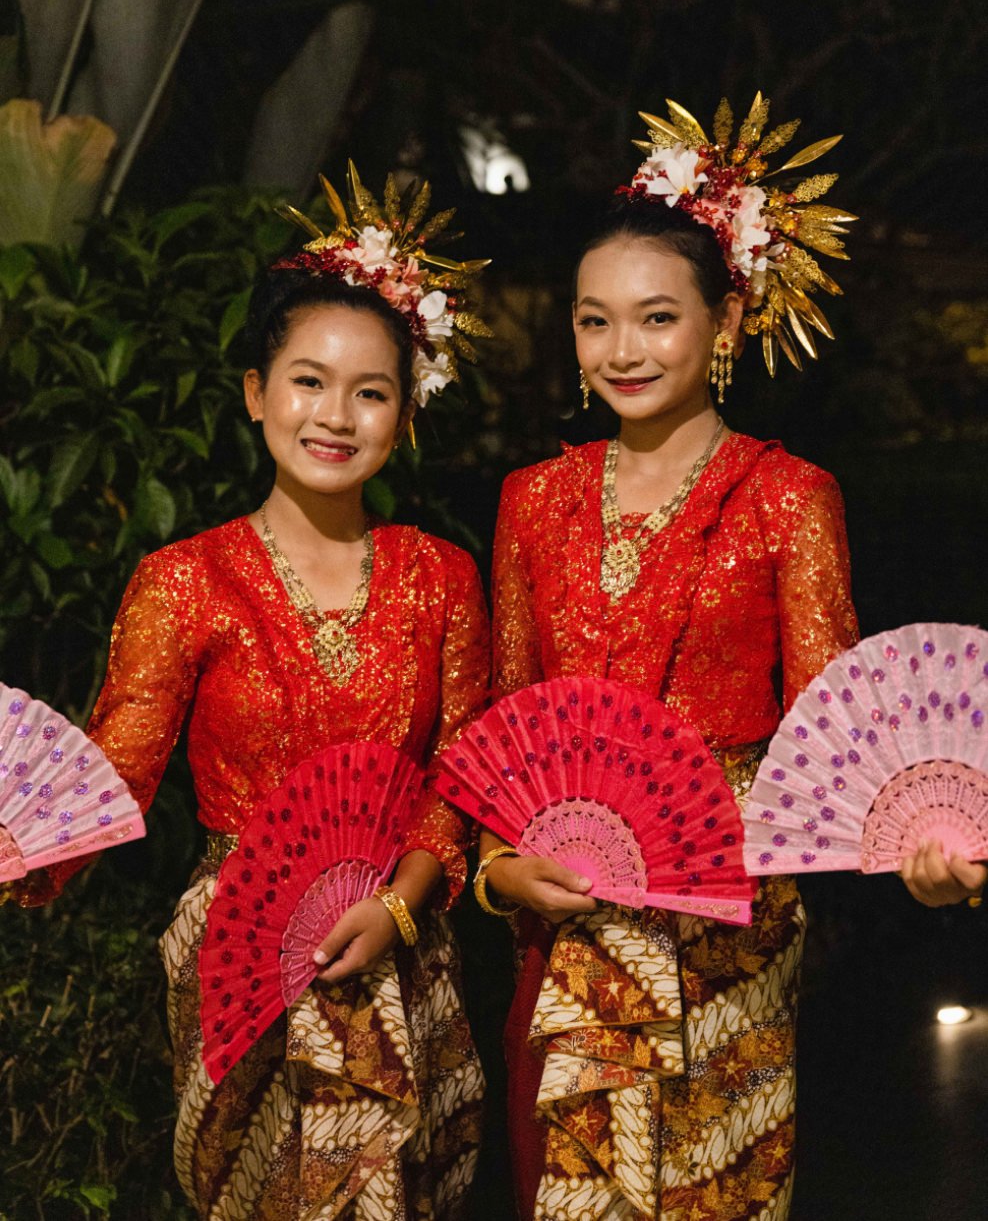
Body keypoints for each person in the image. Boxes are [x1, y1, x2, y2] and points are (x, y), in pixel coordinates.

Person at [8, 170, 492, 1220]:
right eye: (308, 380)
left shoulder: (440, 576)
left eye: (370, 390)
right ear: (254, 392)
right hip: (239, 946)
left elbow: (457, 780)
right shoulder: (185, 579)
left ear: (404, 414)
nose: (335, 414)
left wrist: (400, 908)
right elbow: (115, 768)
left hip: (398, 943)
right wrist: (23, 848)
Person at [477, 95, 863, 1220]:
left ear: (726, 323)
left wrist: (922, 843)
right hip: (571, 907)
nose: (620, 349)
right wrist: (500, 873)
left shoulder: (791, 500)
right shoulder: (531, 502)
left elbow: (839, 743)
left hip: (728, 930)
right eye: (593, 321)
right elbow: (504, 731)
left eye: (654, 317)